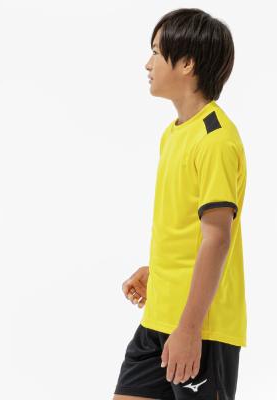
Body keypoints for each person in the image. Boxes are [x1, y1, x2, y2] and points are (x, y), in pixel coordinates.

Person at [113, 8, 247, 400]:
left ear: (187, 63)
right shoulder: (173, 134)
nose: (148, 63)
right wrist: (159, 271)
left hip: (200, 328)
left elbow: (217, 239)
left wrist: (189, 329)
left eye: (157, 51)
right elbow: (187, 228)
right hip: (158, 318)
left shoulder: (216, 139)